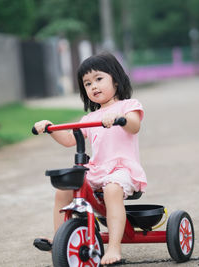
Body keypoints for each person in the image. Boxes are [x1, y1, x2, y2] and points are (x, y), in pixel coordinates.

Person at [33, 53, 147, 265]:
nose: (93, 86)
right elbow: (69, 139)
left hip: (122, 170)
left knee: (112, 190)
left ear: (115, 79)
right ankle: (59, 239)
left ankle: (113, 248)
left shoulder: (128, 106)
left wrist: (118, 120)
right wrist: (50, 127)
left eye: (98, 79)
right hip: (97, 169)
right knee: (64, 189)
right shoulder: (90, 118)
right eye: (87, 83)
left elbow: (134, 124)